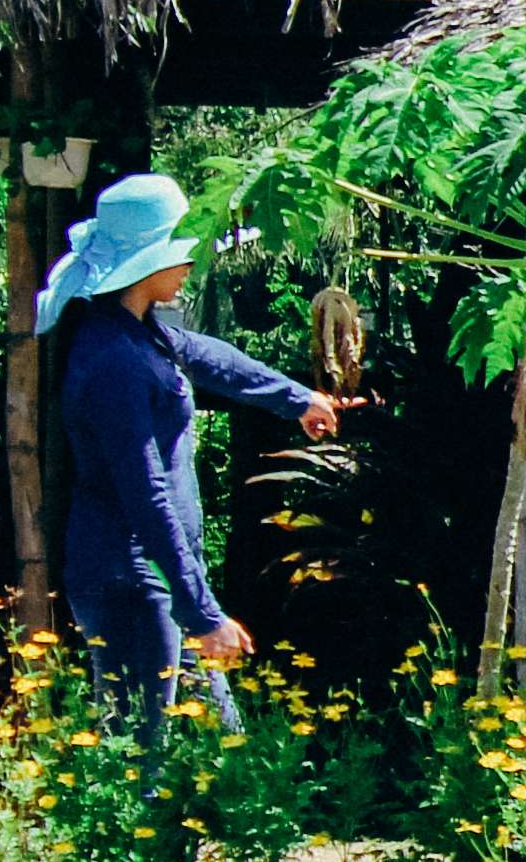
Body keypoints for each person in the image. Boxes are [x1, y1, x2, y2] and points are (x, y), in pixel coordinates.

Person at [33, 176, 338, 734]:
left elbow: (214, 360)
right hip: (134, 580)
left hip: (162, 578)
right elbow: (146, 495)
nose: (191, 264)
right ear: (145, 263)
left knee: (226, 751)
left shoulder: (141, 336)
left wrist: (300, 399)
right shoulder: (115, 363)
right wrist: (200, 612)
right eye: (181, 251)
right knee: (139, 759)